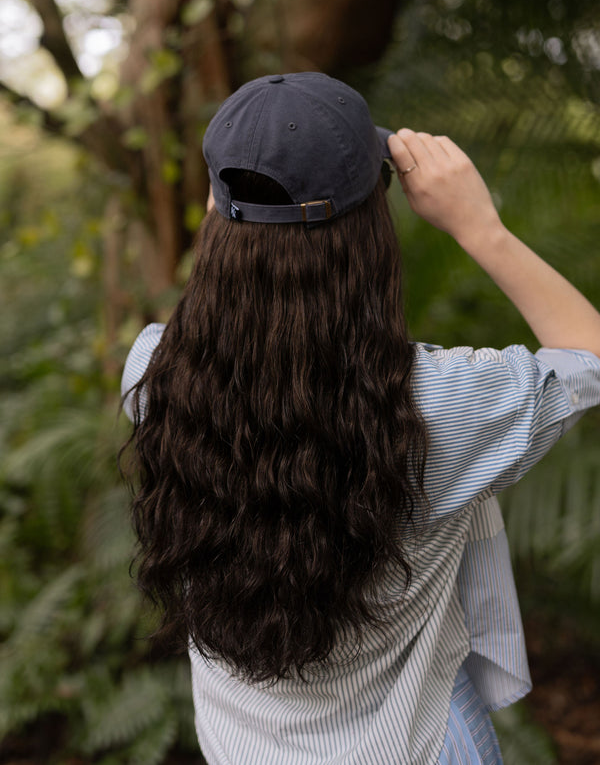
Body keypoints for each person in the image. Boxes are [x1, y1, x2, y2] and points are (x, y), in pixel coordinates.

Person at [120, 72, 600, 765]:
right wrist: (480, 227)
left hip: (240, 747)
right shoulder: (439, 405)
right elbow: (588, 353)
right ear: (374, 221)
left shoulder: (156, 375)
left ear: (215, 211)